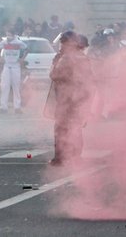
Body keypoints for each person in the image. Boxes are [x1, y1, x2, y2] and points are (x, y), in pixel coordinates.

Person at [48, 31, 94, 166]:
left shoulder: (66, 58)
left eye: (62, 43)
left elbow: (54, 75)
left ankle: (60, 158)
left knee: (61, 128)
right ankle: (76, 156)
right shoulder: (82, 58)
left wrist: (56, 62)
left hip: (66, 98)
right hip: (78, 98)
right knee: (76, 127)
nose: (60, 46)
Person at [0, 32, 28, 114]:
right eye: (7, 35)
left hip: (15, 67)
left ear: (13, 36)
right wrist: (0, 58)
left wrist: (22, 59)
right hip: (6, 66)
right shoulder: (4, 42)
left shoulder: (18, 42)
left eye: (10, 35)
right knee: (4, 87)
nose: (8, 37)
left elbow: (27, 49)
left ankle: (17, 107)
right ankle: (3, 107)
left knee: (16, 87)